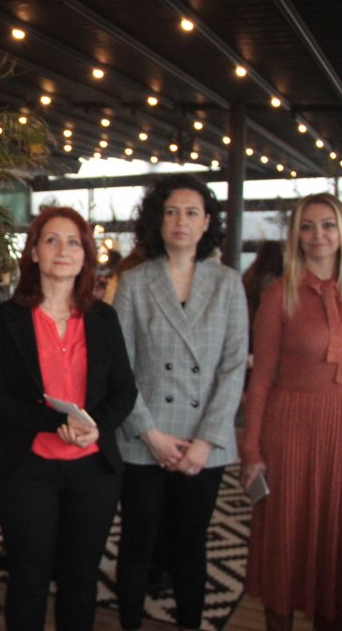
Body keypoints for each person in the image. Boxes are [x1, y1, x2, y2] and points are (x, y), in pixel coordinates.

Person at [0, 207, 137, 631]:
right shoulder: (6, 319)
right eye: (51, 240)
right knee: (28, 580)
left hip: (93, 471)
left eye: (73, 242)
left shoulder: (104, 319)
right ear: (34, 252)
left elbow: (125, 390)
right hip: (26, 469)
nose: (62, 250)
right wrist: (58, 425)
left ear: (85, 255)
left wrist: (96, 425)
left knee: (80, 580)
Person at [112, 175, 248, 631]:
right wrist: (149, 434)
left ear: (207, 222)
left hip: (201, 444)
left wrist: (206, 441)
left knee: (190, 544)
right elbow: (122, 367)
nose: (181, 221)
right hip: (144, 438)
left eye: (191, 213)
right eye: (171, 212)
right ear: (158, 220)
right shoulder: (135, 282)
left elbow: (233, 366)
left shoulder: (228, 284)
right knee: (137, 542)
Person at [242, 193, 342, 631]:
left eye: (327, 224)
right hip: (290, 433)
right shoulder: (279, 295)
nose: (317, 234)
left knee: (338, 540)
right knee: (285, 539)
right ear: (295, 235)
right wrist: (251, 450)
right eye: (307, 226)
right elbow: (260, 379)